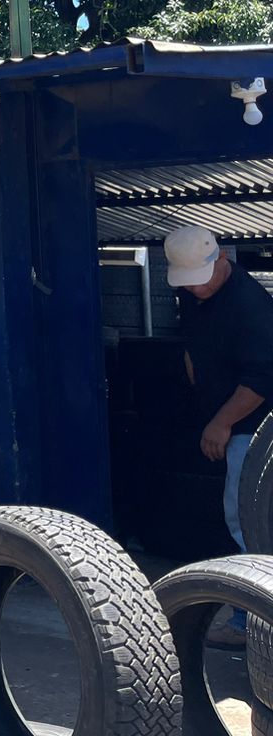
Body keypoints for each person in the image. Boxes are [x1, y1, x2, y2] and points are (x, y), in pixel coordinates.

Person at [165, 224, 273, 649]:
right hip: (232, 422)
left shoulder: (251, 306)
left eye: (200, 280)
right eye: (186, 283)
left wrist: (222, 422)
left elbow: (262, 377)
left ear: (222, 259)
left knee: (248, 519)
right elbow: (193, 340)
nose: (195, 289)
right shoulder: (195, 294)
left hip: (255, 430)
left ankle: (251, 622)